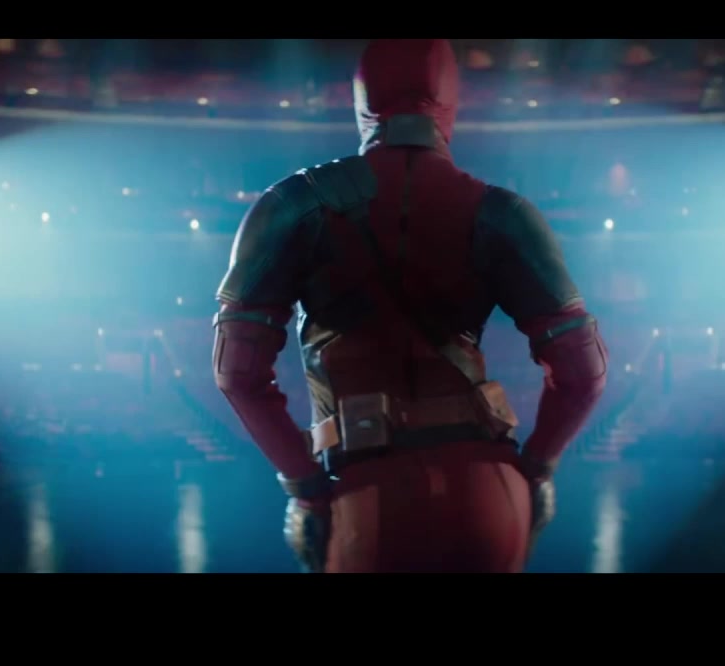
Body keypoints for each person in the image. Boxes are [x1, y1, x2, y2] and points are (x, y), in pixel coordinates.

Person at [212, 39, 608, 573]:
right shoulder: (502, 212)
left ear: (362, 98)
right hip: (492, 491)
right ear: (449, 101)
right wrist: (537, 469)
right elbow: (584, 374)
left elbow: (238, 374)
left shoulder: (294, 204)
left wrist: (304, 489)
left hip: (368, 494)